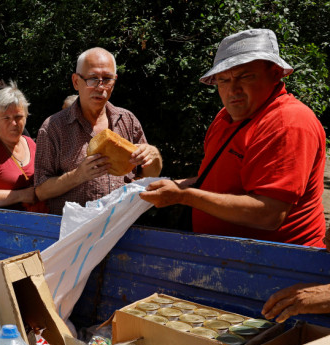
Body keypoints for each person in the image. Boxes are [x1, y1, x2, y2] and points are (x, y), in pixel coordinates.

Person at [140, 29, 326, 247]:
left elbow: (268, 215)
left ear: (275, 73)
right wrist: (172, 187)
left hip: (278, 264)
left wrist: (183, 196)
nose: (232, 90)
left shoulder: (288, 122)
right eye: (223, 80)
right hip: (225, 255)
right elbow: (217, 183)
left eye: (245, 76)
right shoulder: (226, 116)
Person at [34, 47, 163, 215]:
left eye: (107, 79)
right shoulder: (53, 127)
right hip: (75, 232)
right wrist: (78, 175)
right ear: (75, 81)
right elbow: (41, 191)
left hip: (122, 227)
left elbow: (148, 176)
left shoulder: (128, 120)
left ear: (114, 81)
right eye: (93, 78)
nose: (100, 87)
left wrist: (153, 156)